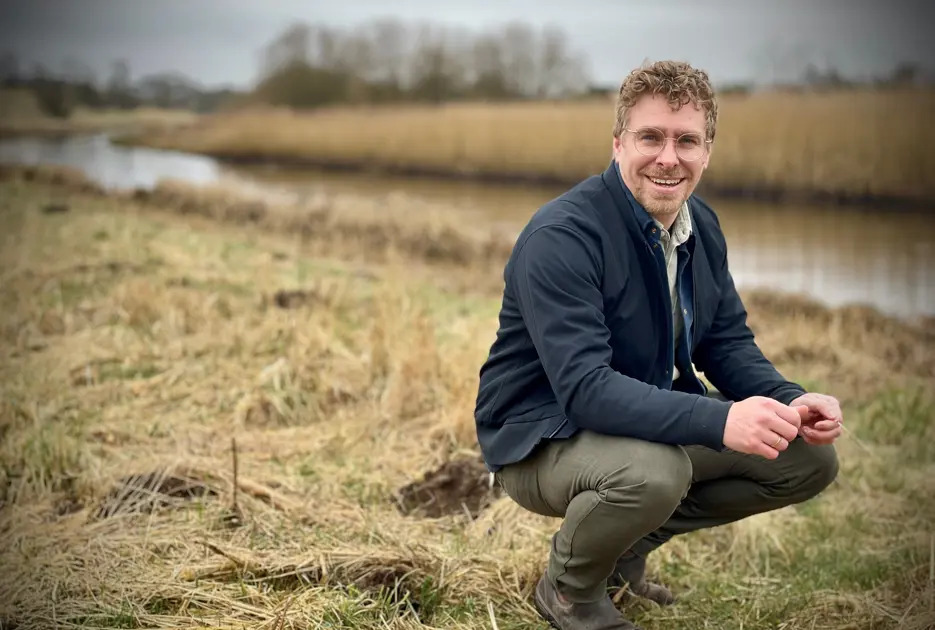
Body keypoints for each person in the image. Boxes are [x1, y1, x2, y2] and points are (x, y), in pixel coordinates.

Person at [473, 60, 842, 630]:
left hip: (634, 421)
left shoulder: (702, 226)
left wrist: (787, 398)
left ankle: (620, 552)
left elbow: (723, 339)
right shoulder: (562, 237)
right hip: (538, 434)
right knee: (653, 473)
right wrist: (717, 422)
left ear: (707, 151)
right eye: (651, 137)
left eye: (686, 140)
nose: (668, 157)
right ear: (619, 142)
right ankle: (569, 589)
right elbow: (586, 391)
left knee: (804, 457)